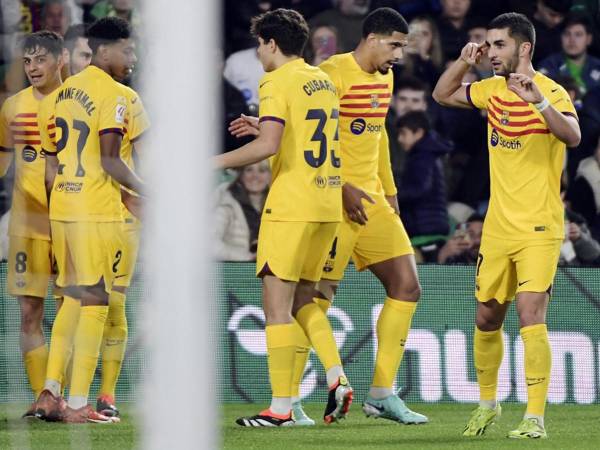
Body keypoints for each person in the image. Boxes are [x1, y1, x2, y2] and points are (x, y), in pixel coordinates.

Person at [433, 12, 580, 439]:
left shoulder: (550, 90)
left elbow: (572, 136)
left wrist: (539, 102)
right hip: (497, 226)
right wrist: (464, 60)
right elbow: (442, 94)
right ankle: (487, 405)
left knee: (530, 313)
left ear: (524, 48)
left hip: (539, 225)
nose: (491, 51)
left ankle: (534, 417)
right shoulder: (491, 90)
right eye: (488, 44)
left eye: (498, 44)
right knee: (485, 318)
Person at [216, 8, 352, 427]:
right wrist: (266, 125)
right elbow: (303, 133)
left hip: (291, 204)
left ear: (271, 44)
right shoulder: (321, 79)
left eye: (260, 44)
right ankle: (334, 375)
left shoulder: (274, 79)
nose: (259, 52)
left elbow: (268, 147)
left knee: (276, 307)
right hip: (327, 203)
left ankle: (281, 409)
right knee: (304, 301)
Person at [300, 7, 428, 425]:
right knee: (317, 298)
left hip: (372, 201)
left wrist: (390, 194)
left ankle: (381, 394)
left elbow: (378, 135)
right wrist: (341, 186)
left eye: (403, 48)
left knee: (407, 287)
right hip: (333, 201)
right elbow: (309, 139)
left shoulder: (385, 77)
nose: (398, 56)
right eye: (394, 45)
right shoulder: (332, 73)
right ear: (371, 37)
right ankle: (295, 397)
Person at [34, 16, 145, 424]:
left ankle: (51, 391)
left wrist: (60, 206)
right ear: (104, 51)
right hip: (99, 211)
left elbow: (49, 171)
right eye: (127, 51)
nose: (132, 59)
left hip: (63, 208)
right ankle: (80, 404)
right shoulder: (116, 95)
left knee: (70, 301)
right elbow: (111, 159)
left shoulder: (56, 98)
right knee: (99, 304)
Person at [0, 30, 64, 413]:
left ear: (60, 60)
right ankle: (42, 396)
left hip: (70, 220)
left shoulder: (75, 101)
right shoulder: (12, 106)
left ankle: (66, 395)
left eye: (40, 59)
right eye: (27, 61)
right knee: (30, 312)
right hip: (27, 222)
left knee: (70, 309)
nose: (33, 67)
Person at [395, 111, 452, 262]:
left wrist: (393, 196)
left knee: (428, 278)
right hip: (428, 227)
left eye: (403, 133)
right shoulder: (426, 153)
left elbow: (419, 188)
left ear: (419, 132)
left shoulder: (422, 156)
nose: (399, 139)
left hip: (425, 231)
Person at [214, 161, 270, 261]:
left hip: (271, 270)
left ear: (270, 175)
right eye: (249, 170)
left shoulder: (279, 205)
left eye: (262, 170)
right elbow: (208, 243)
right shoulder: (226, 204)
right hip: (235, 272)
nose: (255, 176)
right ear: (241, 174)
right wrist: (247, 257)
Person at [538, 13, 600, 96]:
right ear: (561, 37)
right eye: (567, 34)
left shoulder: (598, 66)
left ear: (589, 39)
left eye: (578, 35)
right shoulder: (548, 65)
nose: (572, 40)